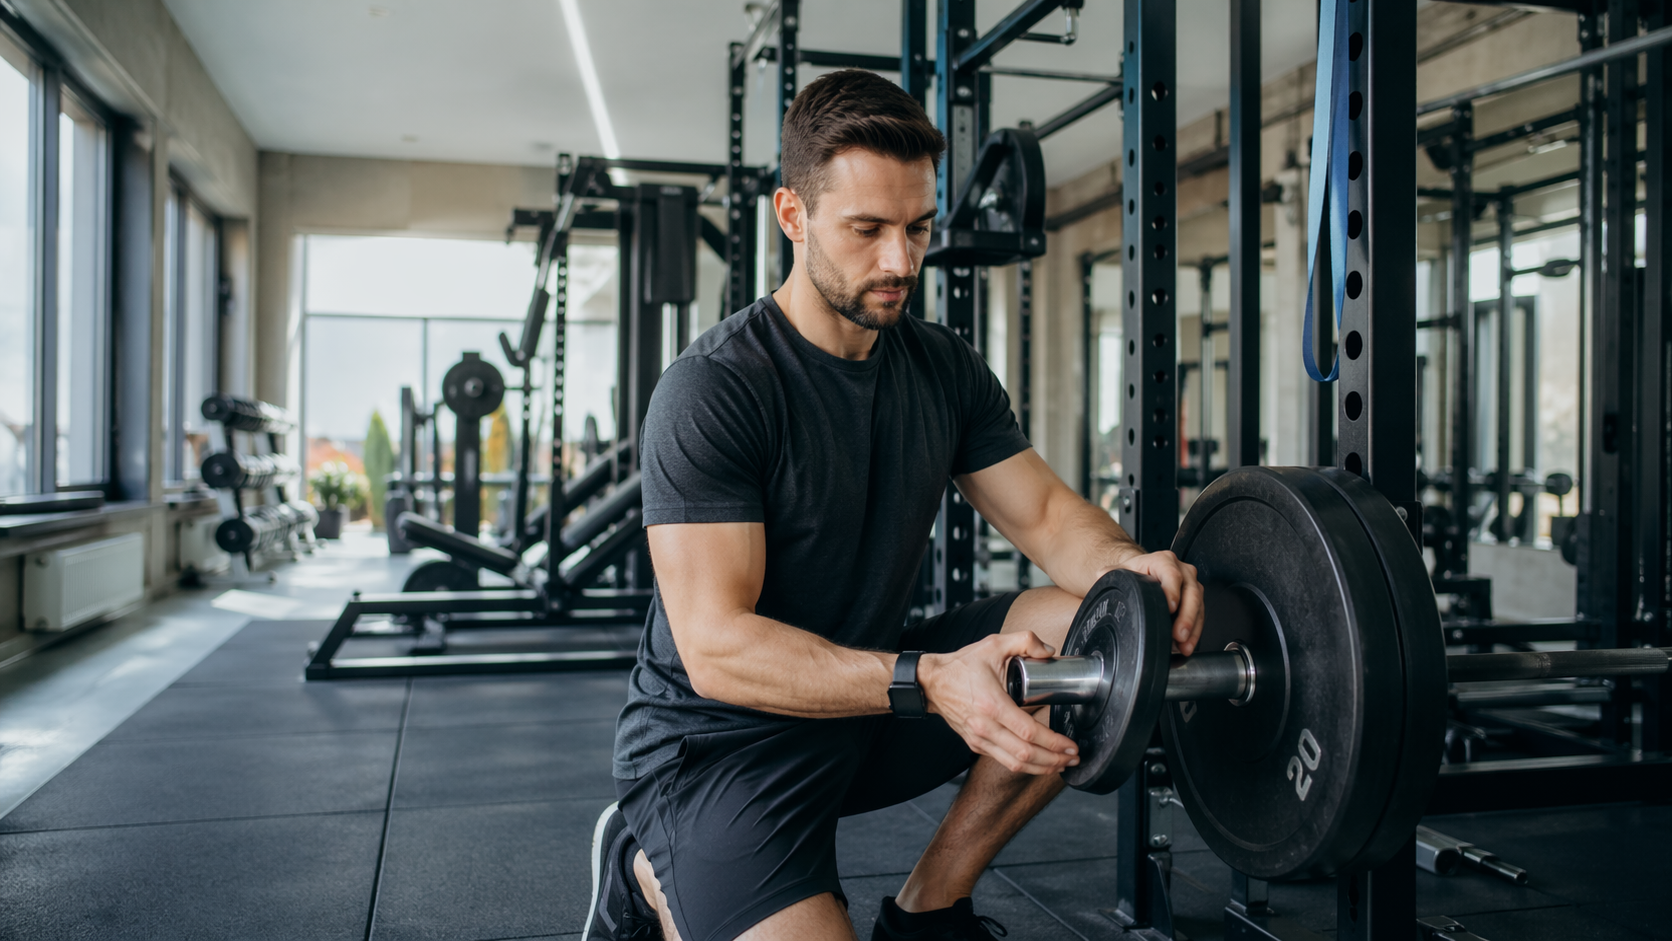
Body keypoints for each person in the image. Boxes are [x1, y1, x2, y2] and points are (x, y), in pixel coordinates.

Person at [585, 68, 1204, 941]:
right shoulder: (715, 388)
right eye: (867, 229)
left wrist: (1131, 568)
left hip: (865, 710)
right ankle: (645, 862)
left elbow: (1048, 519)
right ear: (792, 217)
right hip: (719, 748)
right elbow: (719, 650)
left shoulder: (941, 366)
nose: (900, 261)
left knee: (1098, 632)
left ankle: (929, 908)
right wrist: (930, 679)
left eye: (916, 228)